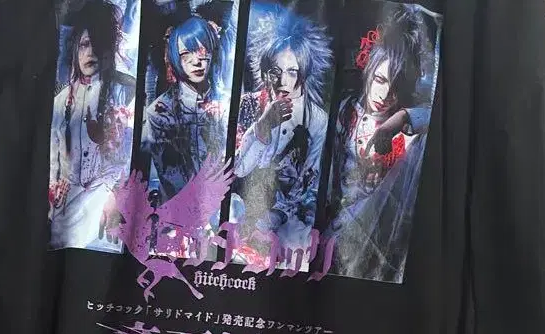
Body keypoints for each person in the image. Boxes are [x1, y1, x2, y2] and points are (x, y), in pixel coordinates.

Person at [233, 8, 332, 252]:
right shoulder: (249, 104)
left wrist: (276, 217)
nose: (282, 81)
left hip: (287, 221)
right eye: (275, 72)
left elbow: (310, 182)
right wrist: (264, 125)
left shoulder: (317, 119)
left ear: (303, 73)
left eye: (291, 72)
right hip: (241, 210)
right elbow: (238, 169)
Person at [328, 8, 432, 235]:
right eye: (380, 80)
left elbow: (434, 117)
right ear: (369, 69)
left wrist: (399, 119)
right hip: (334, 222)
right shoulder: (346, 110)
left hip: (375, 231)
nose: (384, 96)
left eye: (396, 87)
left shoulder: (408, 127)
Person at [49, 0, 136, 251]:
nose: (91, 53)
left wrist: (116, 193)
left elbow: (130, 153)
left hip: (104, 196)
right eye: (85, 45)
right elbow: (54, 156)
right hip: (67, 201)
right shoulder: (61, 101)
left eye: (98, 45)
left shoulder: (126, 92)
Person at [141, 13, 230, 202]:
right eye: (185, 55)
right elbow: (172, 179)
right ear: (175, 58)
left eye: (201, 51)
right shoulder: (159, 112)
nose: (196, 61)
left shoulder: (226, 103)